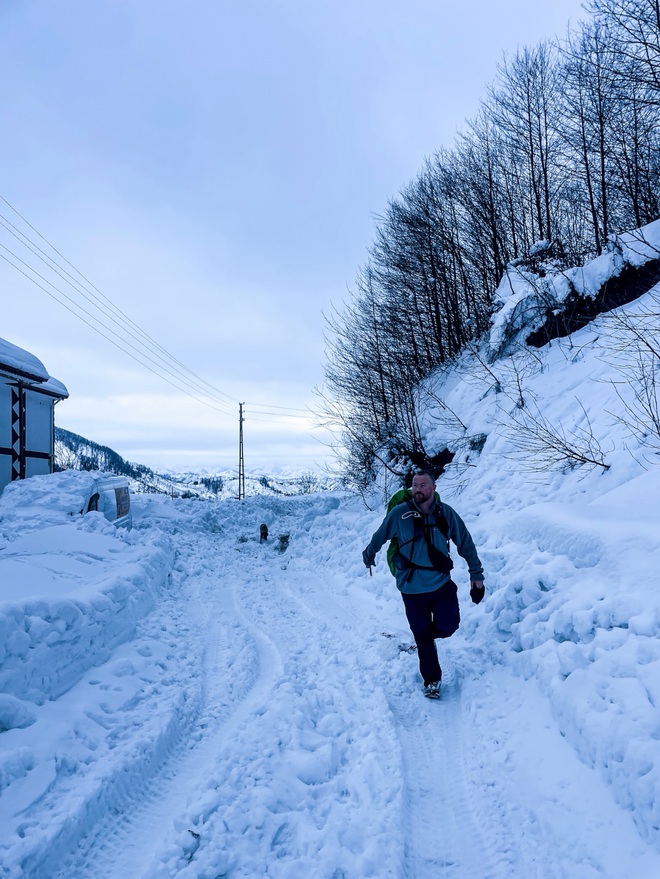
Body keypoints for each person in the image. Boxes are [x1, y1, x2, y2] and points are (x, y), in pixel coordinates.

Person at [362, 469, 485, 699]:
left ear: (433, 488)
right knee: (422, 635)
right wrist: (369, 555)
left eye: (422, 485)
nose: (417, 489)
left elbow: (465, 543)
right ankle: (432, 680)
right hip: (411, 588)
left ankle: (427, 638)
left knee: (449, 627)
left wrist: (476, 575)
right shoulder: (400, 514)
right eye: (414, 485)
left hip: (440, 585)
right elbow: (380, 536)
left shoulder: (445, 513)